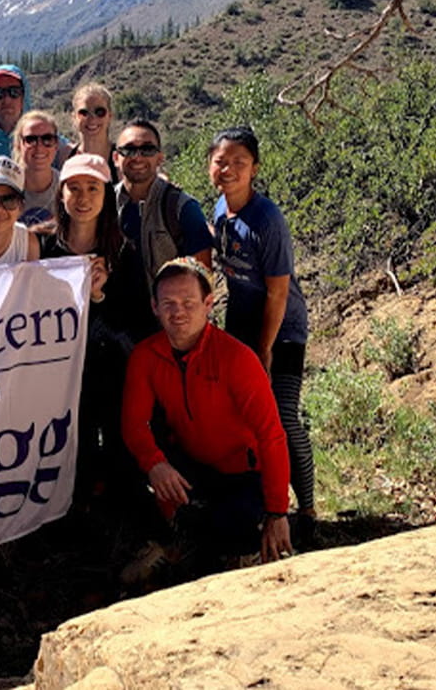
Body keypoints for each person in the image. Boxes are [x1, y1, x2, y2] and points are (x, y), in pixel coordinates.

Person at [122, 257, 293, 572]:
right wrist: (154, 464)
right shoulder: (146, 356)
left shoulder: (236, 358)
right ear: (154, 307)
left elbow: (271, 434)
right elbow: (134, 424)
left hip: (242, 471)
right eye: (168, 303)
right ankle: (168, 541)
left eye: (189, 302)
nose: (178, 312)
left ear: (208, 303)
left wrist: (277, 513)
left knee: (232, 528)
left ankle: (236, 544)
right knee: (127, 465)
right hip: (192, 464)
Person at [208, 126, 315, 533]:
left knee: (284, 417)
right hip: (242, 326)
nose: (229, 169)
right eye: (221, 161)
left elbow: (278, 292)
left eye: (239, 162)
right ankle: (263, 503)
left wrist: (264, 350)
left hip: (282, 329)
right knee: (246, 421)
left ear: (255, 168)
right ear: (210, 167)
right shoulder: (221, 211)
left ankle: (306, 510)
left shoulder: (266, 219)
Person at [37, 154, 139, 503]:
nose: (82, 198)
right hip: (57, 377)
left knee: (115, 451)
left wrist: (98, 296)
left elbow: (135, 324)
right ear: (60, 193)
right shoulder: (42, 248)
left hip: (109, 376)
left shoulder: (125, 253)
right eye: (74, 188)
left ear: (106, 194)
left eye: (92, 188)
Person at [113, 119, 214, 314]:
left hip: (168, 324)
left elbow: (203, 277)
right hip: (115, 325)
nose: (138, 157)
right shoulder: (105, 205)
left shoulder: (181, 207)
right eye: (129, 150)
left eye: (147, 149)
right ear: (116, 158)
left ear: (160, 158)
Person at [11, 110, 63, 227]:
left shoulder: (67, 187)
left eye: (47, 139)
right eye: (31, 140)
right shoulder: (6, 186)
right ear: (18, 145)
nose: (39, 147)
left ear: (56, 144)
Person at [64, 83, 118, 182]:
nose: (92, 119)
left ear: (110, 116)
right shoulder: (64, 156)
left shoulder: (120, 158)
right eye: (84, 113)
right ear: (74, 117)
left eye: (99, 112)